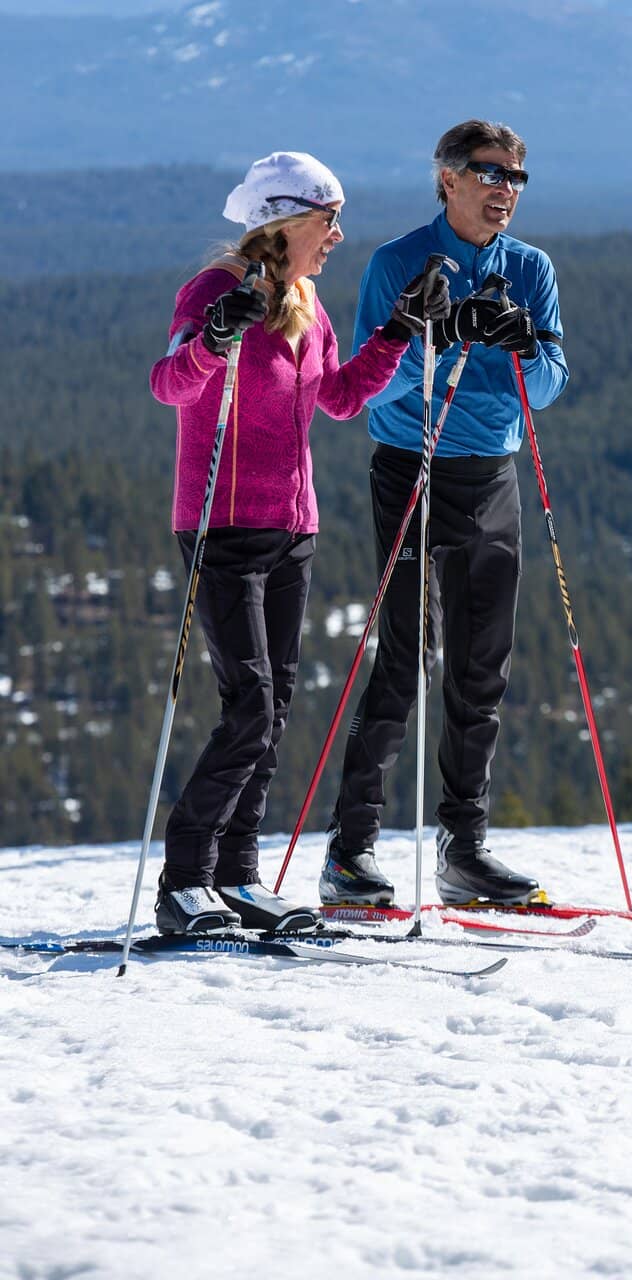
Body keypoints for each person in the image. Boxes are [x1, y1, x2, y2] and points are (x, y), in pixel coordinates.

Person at [149, 151, 450, 934]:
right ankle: (185, 880)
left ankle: (238, 876)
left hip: (292, 529)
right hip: (220, 524)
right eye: (328, 220)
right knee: (249, 705)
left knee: (273, 709)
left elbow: (340, 398)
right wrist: (212, 340)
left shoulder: (307, 304)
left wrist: (397, 330)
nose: (338, 236)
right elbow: (170, 384)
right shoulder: (214, 292)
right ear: (283, 223)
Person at [319, 120, 569, 909]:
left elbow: (548, 387)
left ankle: (463, 850)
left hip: (490, 476)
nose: (504, 190)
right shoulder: (400, 262)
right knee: (404, 660)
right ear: (447, 178)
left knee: (479, 668)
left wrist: (523, 346)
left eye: (515, 177)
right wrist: (436, 335)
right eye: (488, 173)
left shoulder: (529, 268)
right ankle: (350, 851)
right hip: (410, 468)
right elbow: (371, 386)